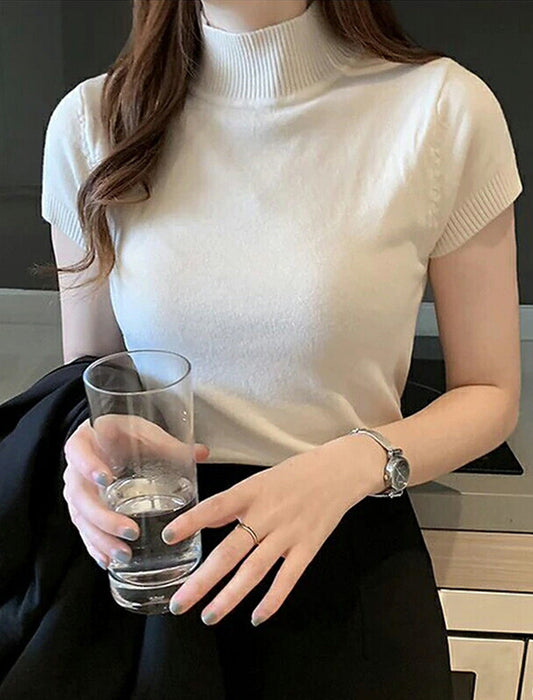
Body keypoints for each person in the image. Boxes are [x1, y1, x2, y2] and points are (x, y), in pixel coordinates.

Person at [40, 0, 523, 697]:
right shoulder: (92, 123)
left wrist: (352, 464)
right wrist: (81, 457)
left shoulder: (443, 111)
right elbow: (87, 381)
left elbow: (490, 393)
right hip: (152, 579)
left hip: (345, 571)